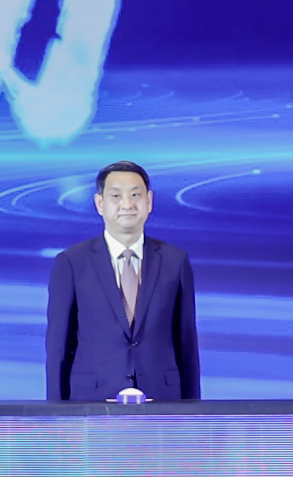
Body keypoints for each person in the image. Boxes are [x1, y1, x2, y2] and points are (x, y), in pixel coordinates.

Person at [45, 159, 200, 402]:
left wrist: (193, 412)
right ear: (100, 203)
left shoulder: (175, 261)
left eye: (135, 195)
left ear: (149, 201)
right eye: (116, 196)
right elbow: (58, 348)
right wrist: (55, 412)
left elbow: (187, 345)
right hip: (91, 400)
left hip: (162, 400)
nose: (127, 204)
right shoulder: (72, 262)